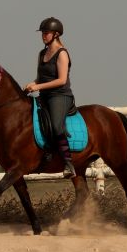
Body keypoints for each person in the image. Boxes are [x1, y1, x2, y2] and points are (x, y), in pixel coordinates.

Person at [24, 17, 76, 178]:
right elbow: (41, 78)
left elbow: (61, 80)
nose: (43, 36)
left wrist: (37, 87)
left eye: (46, 33)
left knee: (56, 126)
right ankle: (45, 152)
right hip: (44, 95)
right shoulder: (42, 53)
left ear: (56, 34)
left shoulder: (62, 53)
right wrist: (30, 84)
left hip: (60, 96)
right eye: (42, 33)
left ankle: (68, 163)